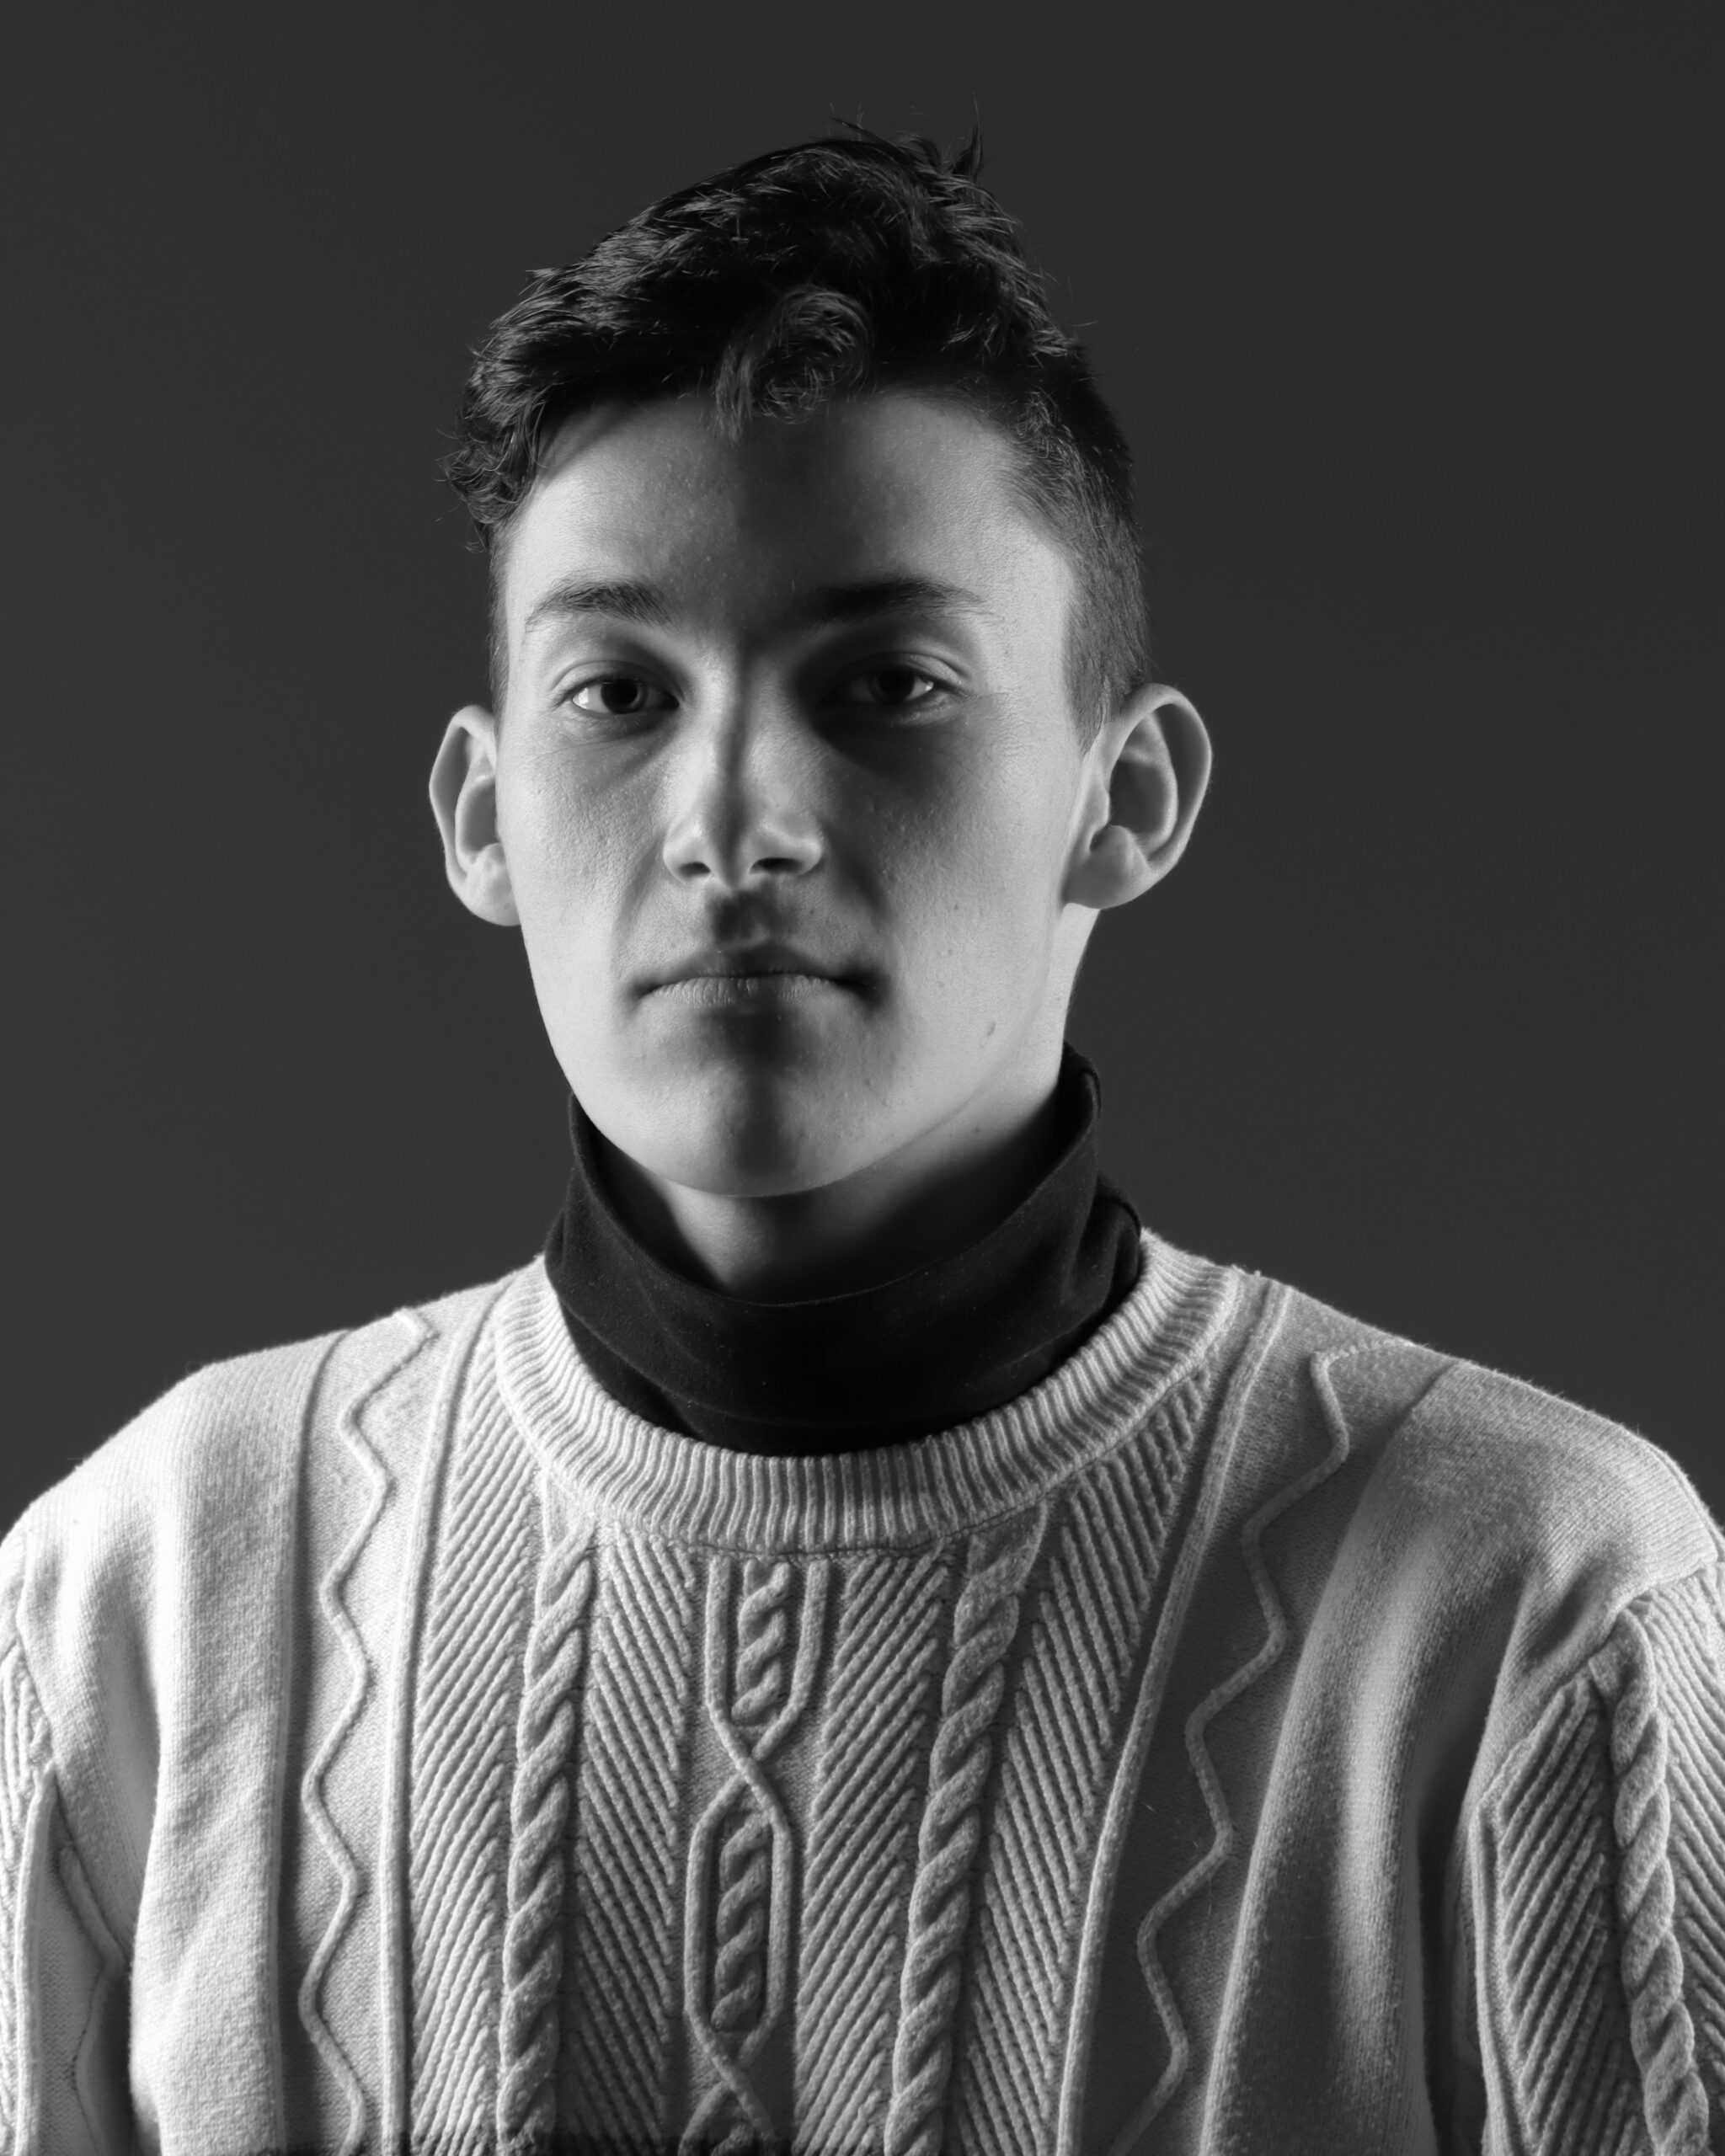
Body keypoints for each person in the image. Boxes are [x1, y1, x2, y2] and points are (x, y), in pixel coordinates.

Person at [1, 126, 1719, 2156]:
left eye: (889, 681)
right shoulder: (143, 1592)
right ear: (478, 816)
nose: (738, 818)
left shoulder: (1532, 1604)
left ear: (1126, 796)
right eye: (616, 692)